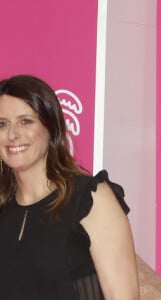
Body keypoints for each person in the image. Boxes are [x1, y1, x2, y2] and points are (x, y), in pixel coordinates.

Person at [0, 74, 139, 300]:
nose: (12, 134)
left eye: (26, 121)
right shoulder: (3, 209)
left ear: (51, 127)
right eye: (2, 124)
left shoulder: (89, 198)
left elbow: (123, 296)